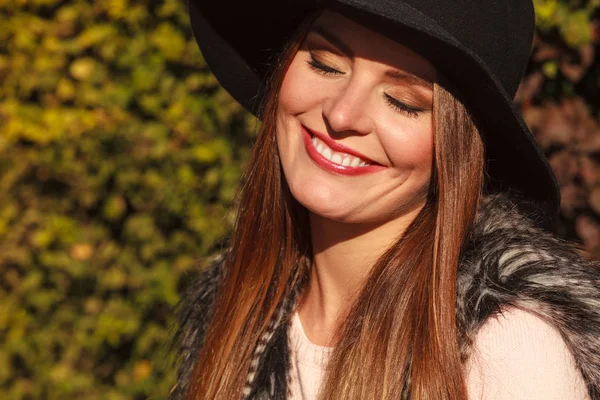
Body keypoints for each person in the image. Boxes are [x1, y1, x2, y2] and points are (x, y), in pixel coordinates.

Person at [170, 1, 600, 399]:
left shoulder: (507, 352)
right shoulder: (235, 314)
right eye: (325, 64)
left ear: (455, 149)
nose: (341, 115)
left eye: (403, 102)